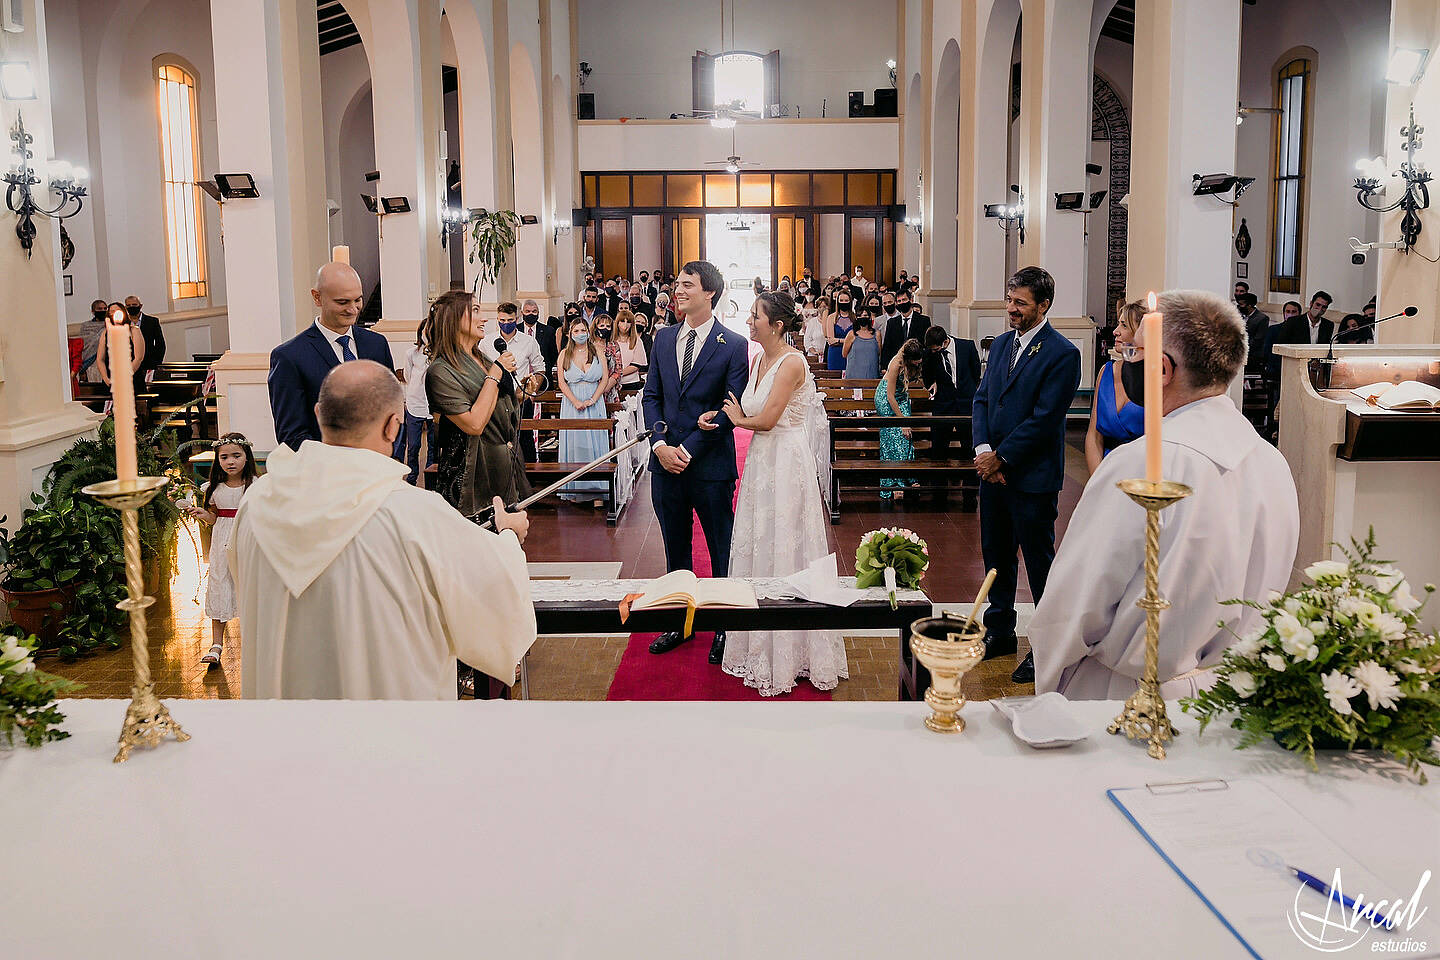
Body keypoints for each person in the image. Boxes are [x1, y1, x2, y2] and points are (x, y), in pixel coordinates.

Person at [1032, 290, 1299, 698]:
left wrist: (1051, 688)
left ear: (1160, 369)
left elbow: (1073, 607)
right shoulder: (1271, 462)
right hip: (1232, 695)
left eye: (1133, 352)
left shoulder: (1138, 464)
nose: (1126, 361)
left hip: (1127, 697)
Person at [233, 360, 534, 700]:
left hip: (285, 731)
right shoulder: (413, 513)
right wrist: (507, 535)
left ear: (318, 414)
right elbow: (493, 600)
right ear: (393, 426)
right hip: (389, 738)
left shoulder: (257, 503)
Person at [706, 291, 843, 695]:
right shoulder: (758, 358)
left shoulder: (792, 362)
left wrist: (736, 417)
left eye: (755, 316)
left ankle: (793, 647)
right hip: (764, 462)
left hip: (785, 459)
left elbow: (764, 419)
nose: (749, 321)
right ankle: (756, 641)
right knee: (758, 540)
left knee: (786, 542)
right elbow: (742, 405)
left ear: (778, 324)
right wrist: (720, 416)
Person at [971, 266, 1081, 684]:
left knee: (1039, 563)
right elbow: (982, 400)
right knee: (996, 557)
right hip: (992, 473)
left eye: (1021, 303)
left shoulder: (1062, 353)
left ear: (1044, 306)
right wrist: (984, 452)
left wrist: (1003, 458)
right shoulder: (1000, 345)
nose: (1011, 309)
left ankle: (1047, 644)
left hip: (1031, 478)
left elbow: (1045, 419)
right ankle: (999, 632)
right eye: (1009, 300)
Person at [642, 259, 750, 662]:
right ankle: (680, 621)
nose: (678, 290)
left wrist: (687, 449)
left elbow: (729, 408)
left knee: (721, 548)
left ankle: (724, 627)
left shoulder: (733, 344)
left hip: (708, 466)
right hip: (664, 463)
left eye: (687, 284)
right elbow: (651, 396)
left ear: (710, 293)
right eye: (677, 284)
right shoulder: (664, 337)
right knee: (676, 548)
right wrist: (660, 445)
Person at [425, 291, 530, 519]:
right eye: (475, 310)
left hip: (503, 466)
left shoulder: (483, 359)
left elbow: (500, 405)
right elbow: (474, 424)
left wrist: (521, 392)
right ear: (453, 318)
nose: (484, 318)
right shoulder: (441, 371)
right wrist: (495, 374)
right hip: (471, 474)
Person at [268, 262, 394, 450]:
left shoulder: (377, 344)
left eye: (358, 300)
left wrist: (393, 457)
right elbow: (292, 435)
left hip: (380, 467)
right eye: (342, 302)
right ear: (317, 297)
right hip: (326, 473)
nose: (353, 309)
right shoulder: (289, 357)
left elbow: (393, 410)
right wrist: (339, 464)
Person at [180, 432, 257, 668]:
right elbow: (215, 517)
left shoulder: (256, 485)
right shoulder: (214, 488)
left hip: (248, 538)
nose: (230, 461)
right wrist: (205, 515)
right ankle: (216, 645)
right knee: (220, 583)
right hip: (222, 539)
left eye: (236, 455)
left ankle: (258, 642)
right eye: (224, 457)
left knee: (251, 586)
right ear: (218, 460)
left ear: (247, 457)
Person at [1084, 299, 1146, 476]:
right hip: (1106, 470)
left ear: (1143, 332)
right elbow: (1093, 437)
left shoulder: (1161, 379)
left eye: (1124, 325)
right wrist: (1097, 482)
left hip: (1144, 474)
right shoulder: (1107, 371)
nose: (1115, 331)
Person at [556, 315, 612, 505]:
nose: (580, 334)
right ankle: (576, 490)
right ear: (570, 334)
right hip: (571, 405)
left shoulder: (597, 351)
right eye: (576, 331)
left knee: (594, 446)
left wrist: (592, 399)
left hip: (594, 403)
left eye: (583, 330)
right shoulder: (564, 354)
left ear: (588, 332)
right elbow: (562, 383)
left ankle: (598, 491)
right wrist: (575, 401)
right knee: (576, 445)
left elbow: (604, 378)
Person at [920, 324, 981, 462]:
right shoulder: (930, 353)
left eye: (936, 349)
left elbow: (975, 372)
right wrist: (932, 384)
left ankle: (969, 481)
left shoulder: (967, 346)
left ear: (945, 341)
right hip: (943, 403)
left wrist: (966, 390)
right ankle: (938, 482)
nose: (934, 351)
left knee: (969, 445)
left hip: (965, 403)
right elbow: (926, 375)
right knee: (939, 447)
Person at [877, 340, 923, 500]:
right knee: (895, 436)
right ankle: (894, 483)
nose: (919, 362)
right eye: (916, 360)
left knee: (907, 435)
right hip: (887, 399)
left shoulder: (914, 356)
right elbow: (889, 396)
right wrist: (902, 421)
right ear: (909, 358)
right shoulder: (896, 364)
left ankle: (907, 477)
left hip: (902, 397)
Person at [397, 312, 436, 485]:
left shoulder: (440, 353)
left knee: (433, 445)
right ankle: (412, 477)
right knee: (413, 446)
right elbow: (407, 375)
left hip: (434, 405)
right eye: (424, 331)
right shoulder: (411, 353)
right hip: (415, 403)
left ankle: (430, 476)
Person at [95, 303, 146, 398]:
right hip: (111, 378)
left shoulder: (134, 331)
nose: (114, 314)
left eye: (117, 311)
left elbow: (138, 358)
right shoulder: (105, 333)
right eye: (111, 312)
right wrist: (106, 379)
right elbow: (100, 359)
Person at [883, 289, 932, 366]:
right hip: (898, 364)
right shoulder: (892, 322)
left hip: (918, 364)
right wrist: (885, 365)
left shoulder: (924, 320)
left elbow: (927, 344)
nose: (902, 303)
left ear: (911, 300)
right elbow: (887, 345)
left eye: (904, 300)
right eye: (899, 301)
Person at [124, 295, 165, 378]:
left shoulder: (152, 321)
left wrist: (156, 363)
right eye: (128, 305)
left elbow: (160, 344)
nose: (131, 307)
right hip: (128, 364)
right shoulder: (123, 323)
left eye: (134, 305)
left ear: (140, 306)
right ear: (125, 307)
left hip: (148, 363)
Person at [842, 310, 881, 381]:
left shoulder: (877, 334)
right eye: (860, 316)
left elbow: (879, 352)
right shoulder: (851, 334)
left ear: (869, 317)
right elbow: (844, 354)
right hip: (854, 375)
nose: (863, 318)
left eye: (865, 315)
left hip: (872, 374)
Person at [615, 309, 648, 387]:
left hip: (631, 383)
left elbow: (636, 365)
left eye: (628, 322)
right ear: (617, 323)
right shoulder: (611, 340)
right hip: (612, 383)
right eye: (622, 321)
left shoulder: (637, 341)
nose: (625, 325)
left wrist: (618, 374)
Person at [1237, 293, 1268, 373]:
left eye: (1241, 304)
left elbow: (1258, 340)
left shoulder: (1261, 319)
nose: (1239, 306)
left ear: (1249, 305)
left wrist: (1241, 347)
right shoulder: (1238, 315)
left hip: (1252, 354)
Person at [825, 290, 855, 371]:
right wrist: (848, 340)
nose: (844, 303)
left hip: (851, 354)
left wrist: (838, 340)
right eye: (841, 300)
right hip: (835, 354)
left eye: (846, 301)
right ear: (837, 302)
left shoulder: (855, 318)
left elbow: (857, 338)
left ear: (850, 302)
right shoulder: (831, 317)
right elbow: (831, 340)